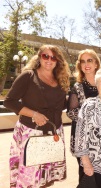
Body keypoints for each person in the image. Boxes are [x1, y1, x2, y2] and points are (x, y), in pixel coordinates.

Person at [4, 45, 70, 187]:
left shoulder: (60, 79)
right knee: (29, 178)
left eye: (53, 57)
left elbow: (63, 105)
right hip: (31, 133)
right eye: (45, 56)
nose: (49, 60)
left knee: (45, 178)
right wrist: (34, 114)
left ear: (57, 61)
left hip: (54, 133)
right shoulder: (28, 76)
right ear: (39, 57)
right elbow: (9, 101)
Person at [66, 49, 101, 183]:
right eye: (83, 61)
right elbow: (71, 112)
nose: (86, 64)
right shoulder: (77, 87)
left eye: (90, 60)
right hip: (82, 139)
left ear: (96, 64)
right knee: (86, 175)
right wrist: (93, 117)